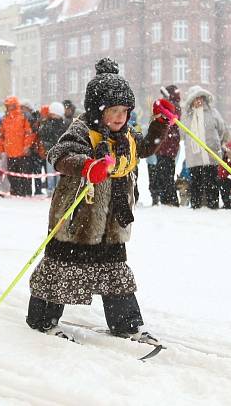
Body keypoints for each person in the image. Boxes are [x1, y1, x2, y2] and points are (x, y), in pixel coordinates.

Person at [26, 58, 171, 340]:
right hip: (78, 218)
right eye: (113, 111)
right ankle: (42, 319)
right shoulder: (81, 130)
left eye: (125, 111)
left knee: (115, 273)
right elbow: (59, 155)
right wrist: (87, 165)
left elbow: (143, 149)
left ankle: (126, 325)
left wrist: (160, 124)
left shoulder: (126, 134)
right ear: (97, 110)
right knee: (62, 269)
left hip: (113, 220)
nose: (120, 117)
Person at [180, 86, 230, 209]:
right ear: (191, 100)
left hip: (211, 154)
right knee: (196, 183)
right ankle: (196, 206)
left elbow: (221, 129)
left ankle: (213, 205)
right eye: (196, 98)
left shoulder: (213, 112)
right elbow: (182, 133)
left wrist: (217, 142)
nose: (199, 101)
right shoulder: (187, 115)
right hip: (194, 156)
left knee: (212, 182)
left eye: (200, 98)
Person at [0, 96, 35, 196]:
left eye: (10, 105)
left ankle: (26, 194)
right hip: (10, 153)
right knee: (12, 176)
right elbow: (1, 136)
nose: (9, 107)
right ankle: (15, 193)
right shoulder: (4, 119)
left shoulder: (23, 117)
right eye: (7, 106)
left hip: (22, 153)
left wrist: (27, 146)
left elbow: (29, 133)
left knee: (25, 176)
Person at [154, 85, 181, 206]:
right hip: (162, 147)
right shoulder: (166, 107)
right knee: (162, 174)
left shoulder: (175, 107)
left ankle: (171, 200)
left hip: (168, 148)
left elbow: (171, 120)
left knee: (167, 174)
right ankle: (165, 199)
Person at [38, 101, 67, 194]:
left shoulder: (62, 124)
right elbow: (43, 136)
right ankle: (51, 189)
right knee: (51, 172)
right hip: (51, 152)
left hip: (59, 153)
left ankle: (57, 189)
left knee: (58, 172)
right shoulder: (47, 124)